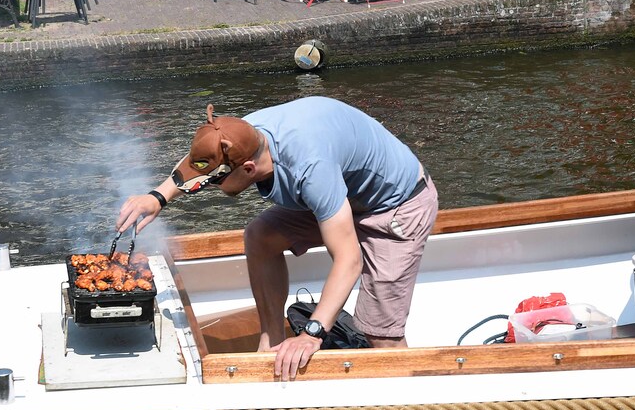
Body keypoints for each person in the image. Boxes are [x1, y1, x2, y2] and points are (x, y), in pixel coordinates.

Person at [117, 97, 439, 380]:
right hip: (344, 198)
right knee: (261, 236)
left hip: (396, 207)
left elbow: (349, 260)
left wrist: (312, 333)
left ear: (246, 168)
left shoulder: (309, 169)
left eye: (214, 183)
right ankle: (270, 346)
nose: (207, 187)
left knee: (378, 333)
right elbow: (198, 161)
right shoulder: (237, 134)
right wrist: (158, 197)